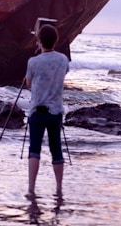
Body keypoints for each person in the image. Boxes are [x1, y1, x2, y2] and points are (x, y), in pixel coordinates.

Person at [25, 24, 69, 196]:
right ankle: (58, 188)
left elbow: (29, 83)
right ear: (56, 40)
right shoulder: (63, 60)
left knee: (34, 150)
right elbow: (62, 75)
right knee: (56, 149)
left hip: (37, 110)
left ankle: (31, 188)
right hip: (56, 112)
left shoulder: (33, 62)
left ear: (39, 40)